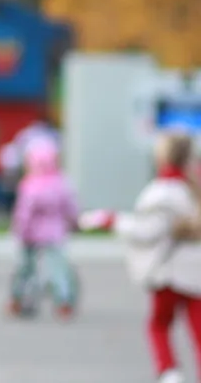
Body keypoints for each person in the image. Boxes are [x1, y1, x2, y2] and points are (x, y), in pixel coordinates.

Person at [80, 131, 201, 383]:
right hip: (196, 273)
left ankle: (169, 372)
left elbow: (145, 231)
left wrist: (111, 220)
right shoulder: (193, 190)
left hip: (168, 271)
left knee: (158, 325)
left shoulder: (160, 193)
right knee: (197, 330)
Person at [8, 138, 79, 320]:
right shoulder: (61, 182)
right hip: (54, 233)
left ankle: (17, 298)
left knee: (25, 268)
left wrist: (19, 230)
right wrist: (73, 222)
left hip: (30, 234)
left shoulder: (30, 185)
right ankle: (63, 301)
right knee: (58, 268)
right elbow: (70, 207)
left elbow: (24, 213)